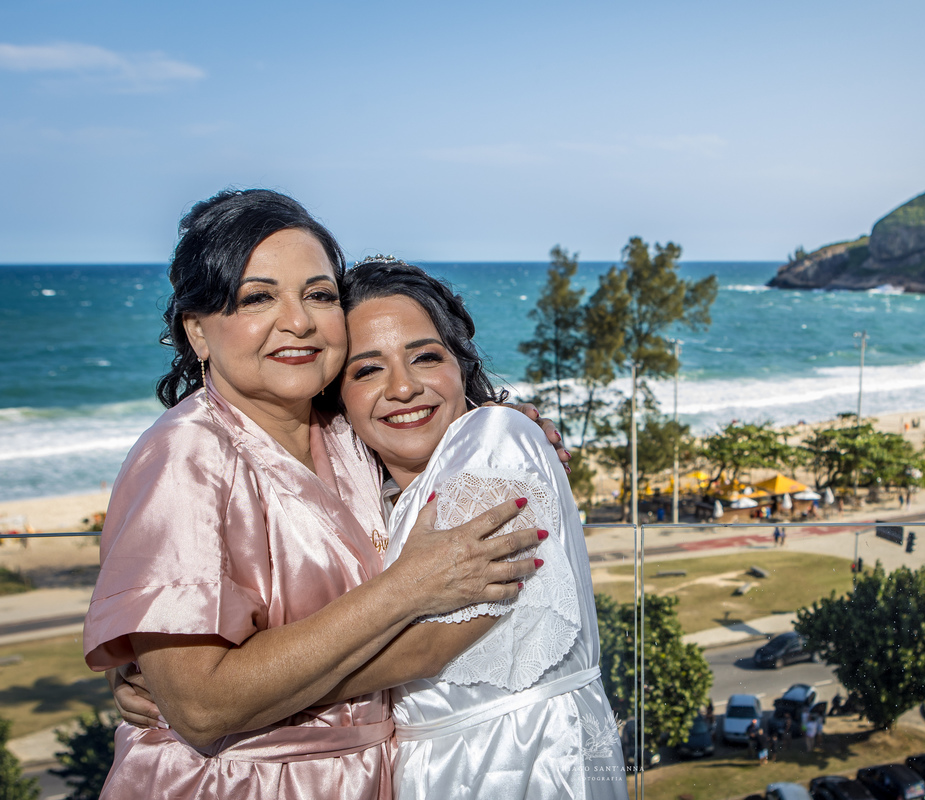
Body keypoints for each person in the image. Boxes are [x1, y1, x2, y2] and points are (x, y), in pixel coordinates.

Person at [83, 190, 555, 799]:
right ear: (197, 331)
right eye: (258, 297)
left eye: (319, 295)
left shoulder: (344, 433)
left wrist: (506, 427)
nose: (299, 322)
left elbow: (429, 436)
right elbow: (201, 708)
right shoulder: (185, 458)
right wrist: (407, 587)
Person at [337, 258, 627, 799]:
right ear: (338, 395)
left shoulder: (495, 439)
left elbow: (426, 648)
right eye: (367, 369)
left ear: (461, 365)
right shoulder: (375, 500)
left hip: (524, 764)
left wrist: (246, 692)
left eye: (425, 357)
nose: (403, 387)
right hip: (432, 769)